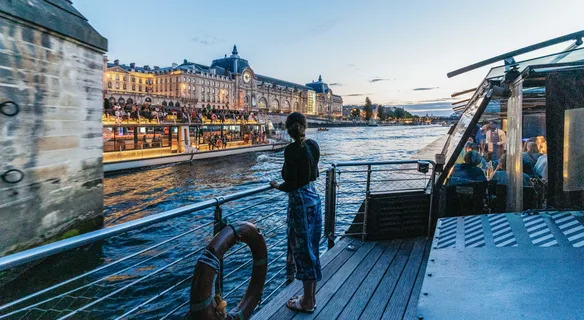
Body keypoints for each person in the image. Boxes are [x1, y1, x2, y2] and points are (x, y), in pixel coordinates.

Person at [270, 112, 321, 313]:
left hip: (299, 205)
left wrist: (277, 186)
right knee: (313, 249)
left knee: (302, 252)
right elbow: (312, 174)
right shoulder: (313, 145)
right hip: (314, 200)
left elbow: (291, 183)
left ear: (289, 129)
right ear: (304, 126)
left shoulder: (291, 150)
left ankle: (307, 302)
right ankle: (310, 296)